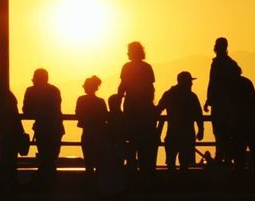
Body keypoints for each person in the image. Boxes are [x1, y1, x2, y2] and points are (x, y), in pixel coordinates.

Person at [118, 42, 157, 177]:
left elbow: (122, 86)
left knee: (130, 141)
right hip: (144, 109)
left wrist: (118, 101)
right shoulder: (147, 67)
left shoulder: (127, 67)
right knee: (144, 143)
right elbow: (151, 88)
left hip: (131, 108)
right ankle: (145, 172)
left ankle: (131, 169)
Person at [22, 68, 64, 186]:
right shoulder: (54, 90)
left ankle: (44, 182)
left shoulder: (31, 91)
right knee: (51, 158)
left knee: (45, 157)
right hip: (56, 128)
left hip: (42, 128)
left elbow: (26, 110)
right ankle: (49, 183)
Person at [158, 72, 204, 174]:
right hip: (187, 134)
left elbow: (158, 110)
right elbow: (198, 115)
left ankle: (172, 184)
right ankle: (183, 184)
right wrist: (201, 130)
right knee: (184, 163)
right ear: (186, 82)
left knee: (171, 162)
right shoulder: (191, 97)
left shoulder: (169, 94)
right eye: (190, 82)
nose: (191, 84)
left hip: (172, 134)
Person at [205, 37, 242, 167]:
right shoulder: (231, 64)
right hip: (230, 105)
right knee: (227, 133)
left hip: (220, 105)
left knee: (220, 132)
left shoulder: (217, 64)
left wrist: (209, 100)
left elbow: (213, 83)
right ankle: (226, 158)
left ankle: (221, 157)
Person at [0, 75, 21, 191]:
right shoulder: (10, 96)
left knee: (6, 159)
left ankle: (6, 184)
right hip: (14, 130)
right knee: (11, 160)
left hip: (7, 131)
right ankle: (13, 184)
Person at [74, 75, 109, 176]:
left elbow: (78, 113)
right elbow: (105, 117)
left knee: (88, 162)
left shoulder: (81, 100)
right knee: (99, 161)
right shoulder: (100, 101)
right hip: (99, 135)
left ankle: (89, 184)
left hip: (87, 133)